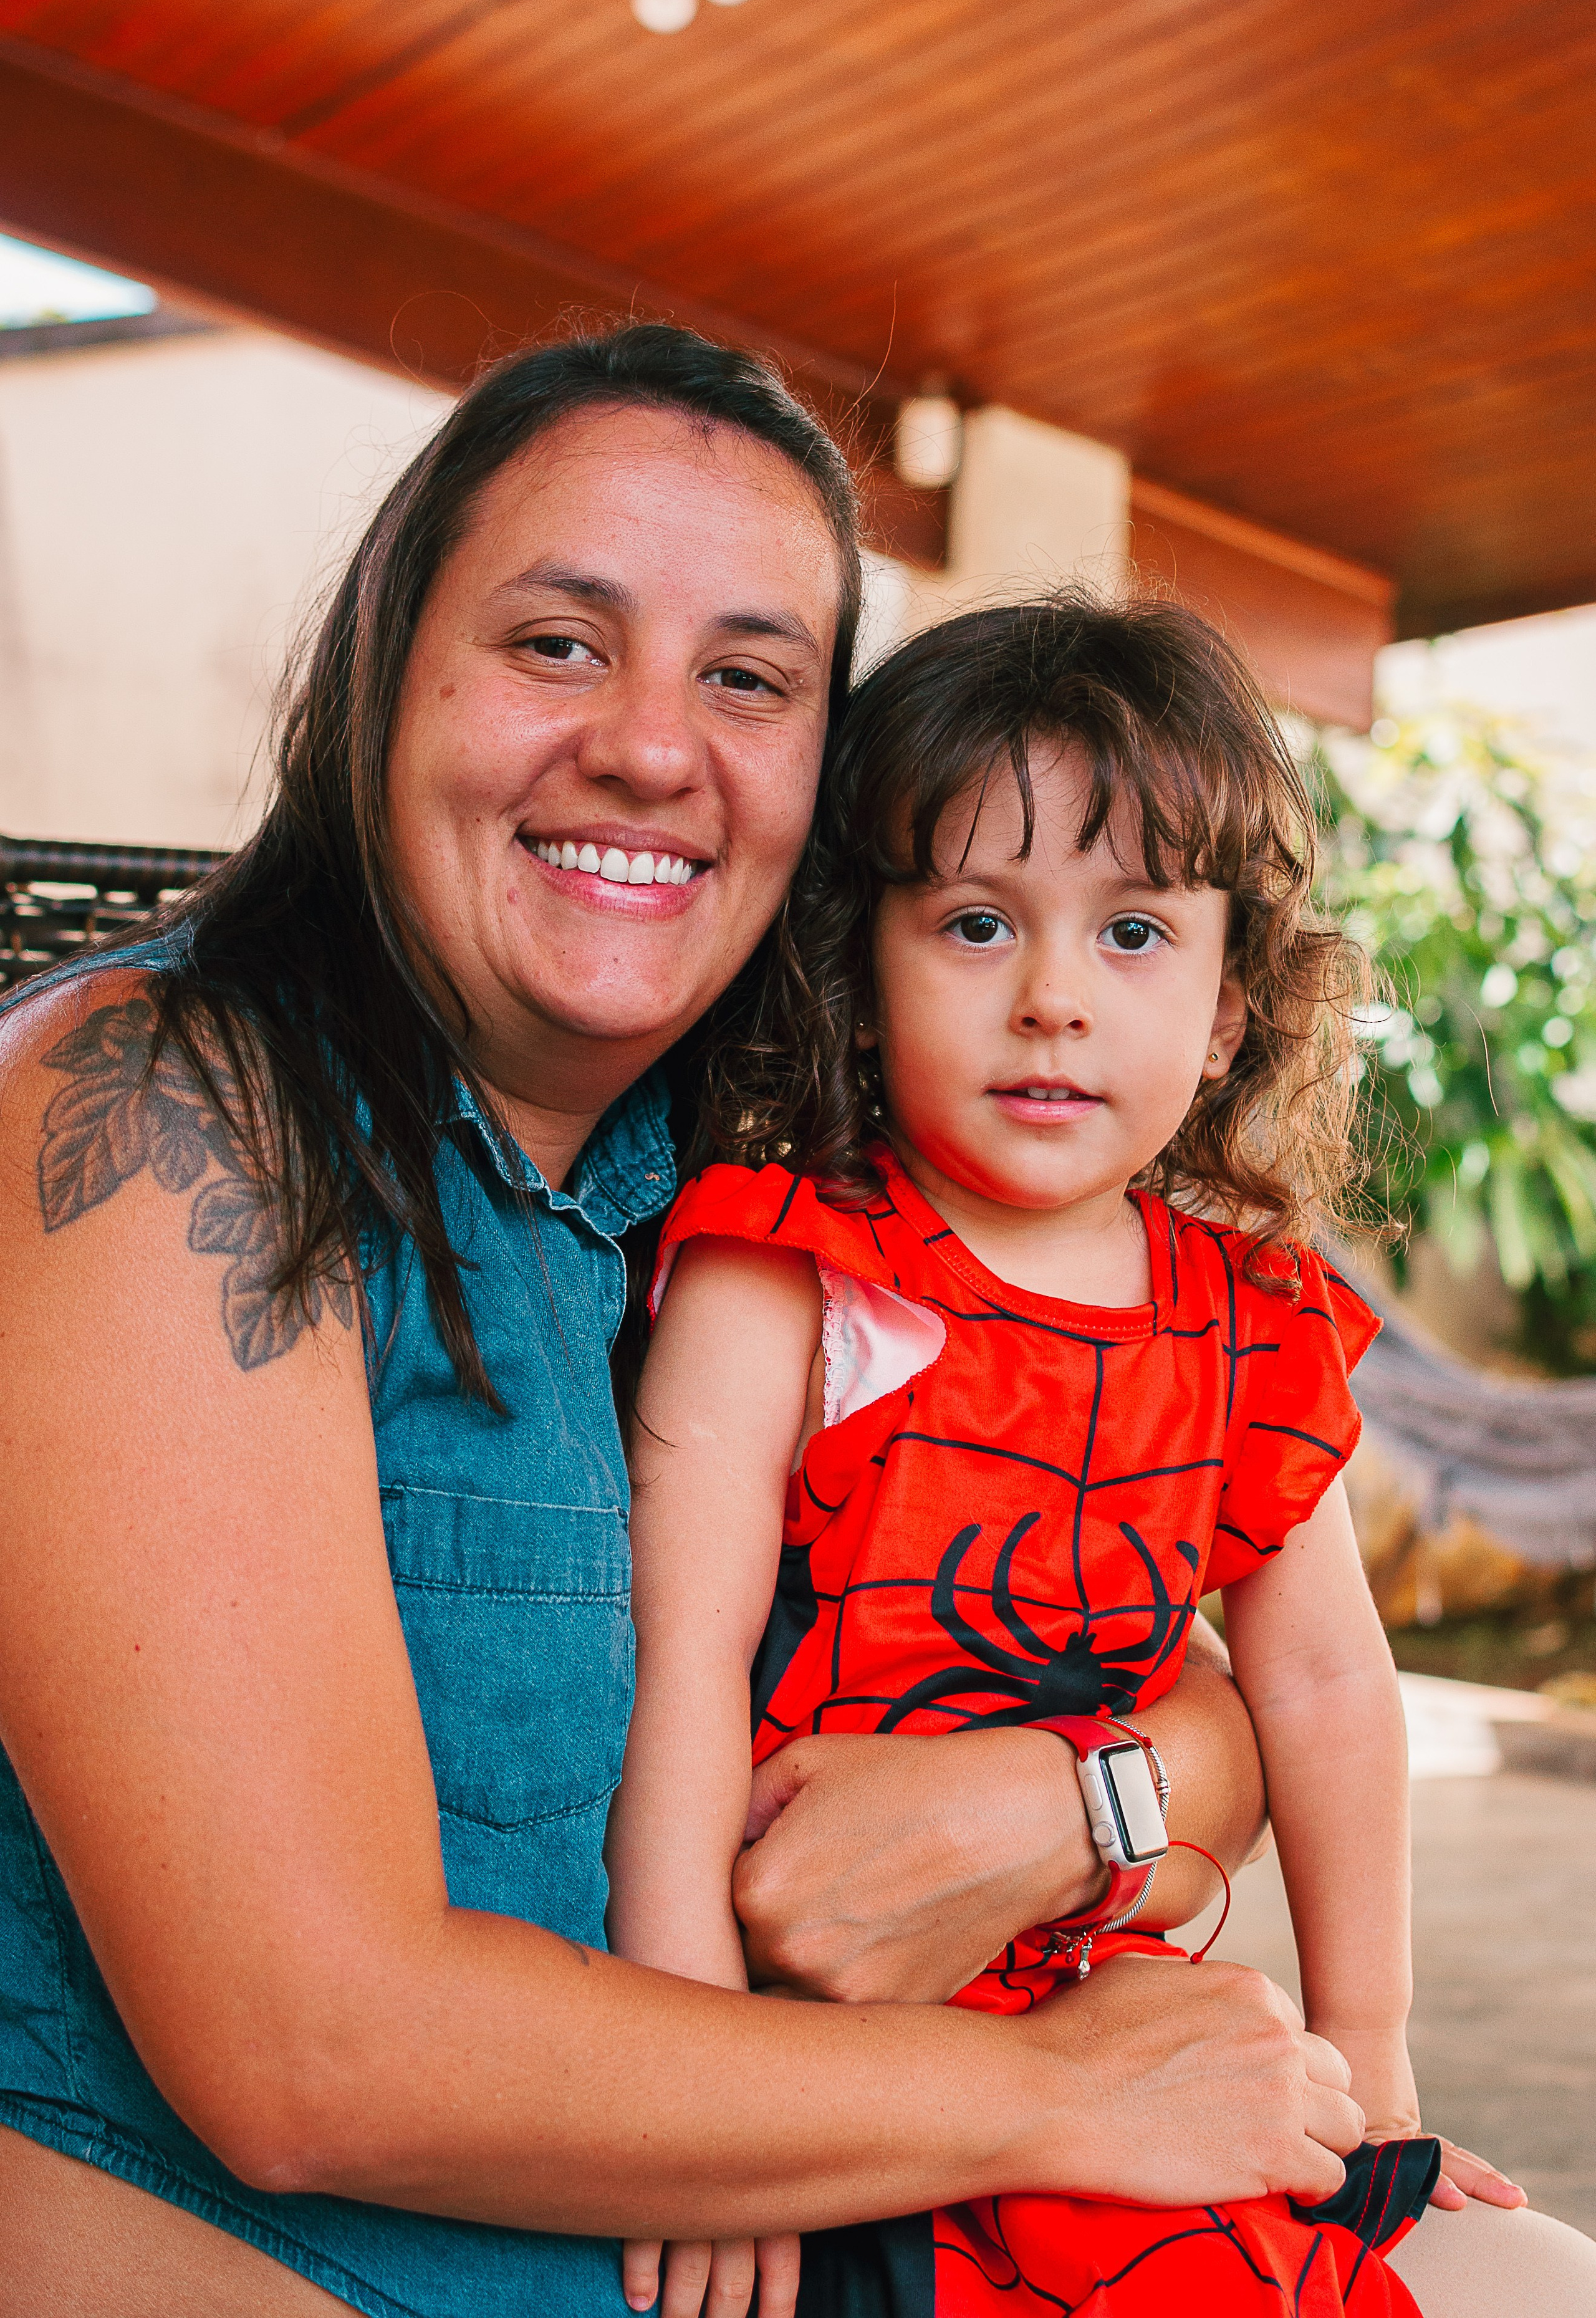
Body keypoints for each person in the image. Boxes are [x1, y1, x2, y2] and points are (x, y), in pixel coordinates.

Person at [0, 326, 1360, 2317]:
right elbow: (313, 2051)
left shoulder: (753, 1211)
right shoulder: (166, 1114)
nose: (655, 746)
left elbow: (1239, 1684)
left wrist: (1060, 1801)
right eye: (559, 641)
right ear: (388, 678)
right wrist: (1039, 2089)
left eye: (747, 680)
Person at [610, 597, 1596, 2317]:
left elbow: (1332, 1695)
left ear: (1231, 1012)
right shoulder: (785, 1277)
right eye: (980, 922)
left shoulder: (1253, 1321)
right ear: (861, 982)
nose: (1054, 999)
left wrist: (1372, 2065)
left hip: (1111, 2019)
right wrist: (694, 2100)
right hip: (828, 2045)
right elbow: (674, 1670)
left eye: (1133, 932)